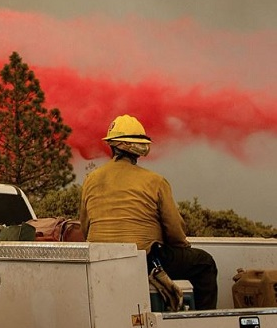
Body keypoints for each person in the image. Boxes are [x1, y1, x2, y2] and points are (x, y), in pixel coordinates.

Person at [80, 114, 218, 310]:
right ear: (139, 148)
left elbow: (85, 226)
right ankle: (205, 325)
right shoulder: (155, 181)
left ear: (111, 145)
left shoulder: (90, 180)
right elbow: (175, 230)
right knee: (204, 263)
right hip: (145, 260)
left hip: (101, 261)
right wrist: (181, 248)